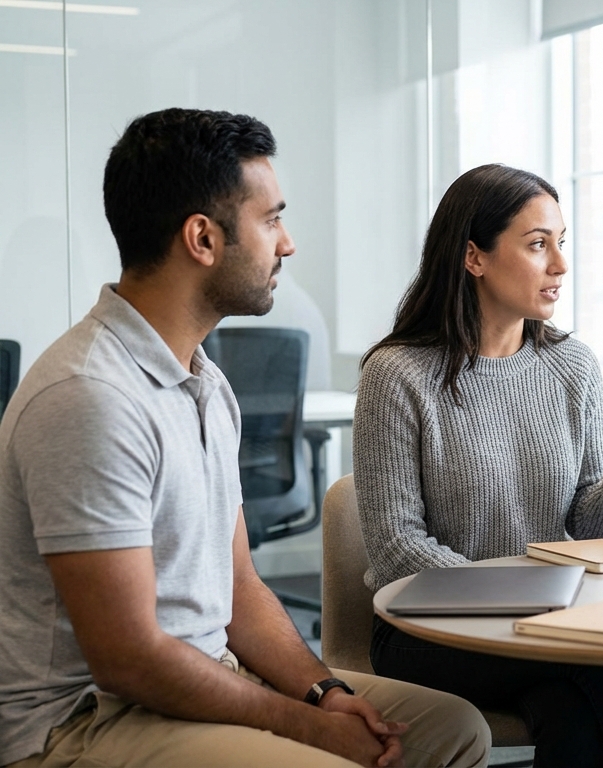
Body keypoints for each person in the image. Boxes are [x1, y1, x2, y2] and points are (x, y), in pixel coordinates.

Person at [0, 108, 490, 768]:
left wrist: (325, 694)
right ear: (202, 238)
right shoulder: (91, 396)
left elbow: (237, 586)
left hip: (203, 675)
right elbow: (127, 658)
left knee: (455, 730)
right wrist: (309, 731)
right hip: (86, 719)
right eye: (271, 219)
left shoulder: (205, 381)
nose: (286, 243)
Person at [355, 163, 603, 768]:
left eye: (561, 243)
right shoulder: (397, 375)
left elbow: (583, 529)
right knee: (600, 657)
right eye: (537, 245)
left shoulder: (572, 366)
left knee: (571, 711)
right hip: (427, 629)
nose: (560, 264)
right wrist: (526, 599)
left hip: (548, 622)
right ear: (474, 257)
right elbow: (398, 548)